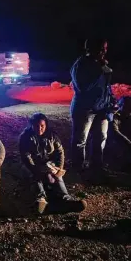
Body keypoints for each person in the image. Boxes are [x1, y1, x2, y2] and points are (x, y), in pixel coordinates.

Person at [19, 113, 87, 214]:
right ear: (31, 125)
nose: (39, 128)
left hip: (48, 164)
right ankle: (40, 200)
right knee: (35, 176)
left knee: (57, 175)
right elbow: (26, 157)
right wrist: (39, 170)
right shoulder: (25, 137)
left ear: (46, 125)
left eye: (42, 126)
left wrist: (58, 168)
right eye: (36, 126)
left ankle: (65, 199)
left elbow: (60, 152)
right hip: (33, 165)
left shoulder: (52, 136)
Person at [70, 39, 116, 178]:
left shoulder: (101, 65)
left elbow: (105, 86)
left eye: (105, 48)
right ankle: (79, 168)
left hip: (102, 109)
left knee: (101, 137)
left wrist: (111, 100)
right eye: (101, 48)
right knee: (80, 140)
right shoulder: (81, 65)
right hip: (85, 109)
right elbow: (83, 87)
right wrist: (99, 70)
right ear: (90, 49)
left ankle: (97, 166)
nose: (104, 52)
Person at [108, 96, 131, 171]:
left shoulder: (128, 116)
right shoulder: (115, 116)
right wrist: (128, 141)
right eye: (127, 106)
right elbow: (115, 132)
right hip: (116, 142)